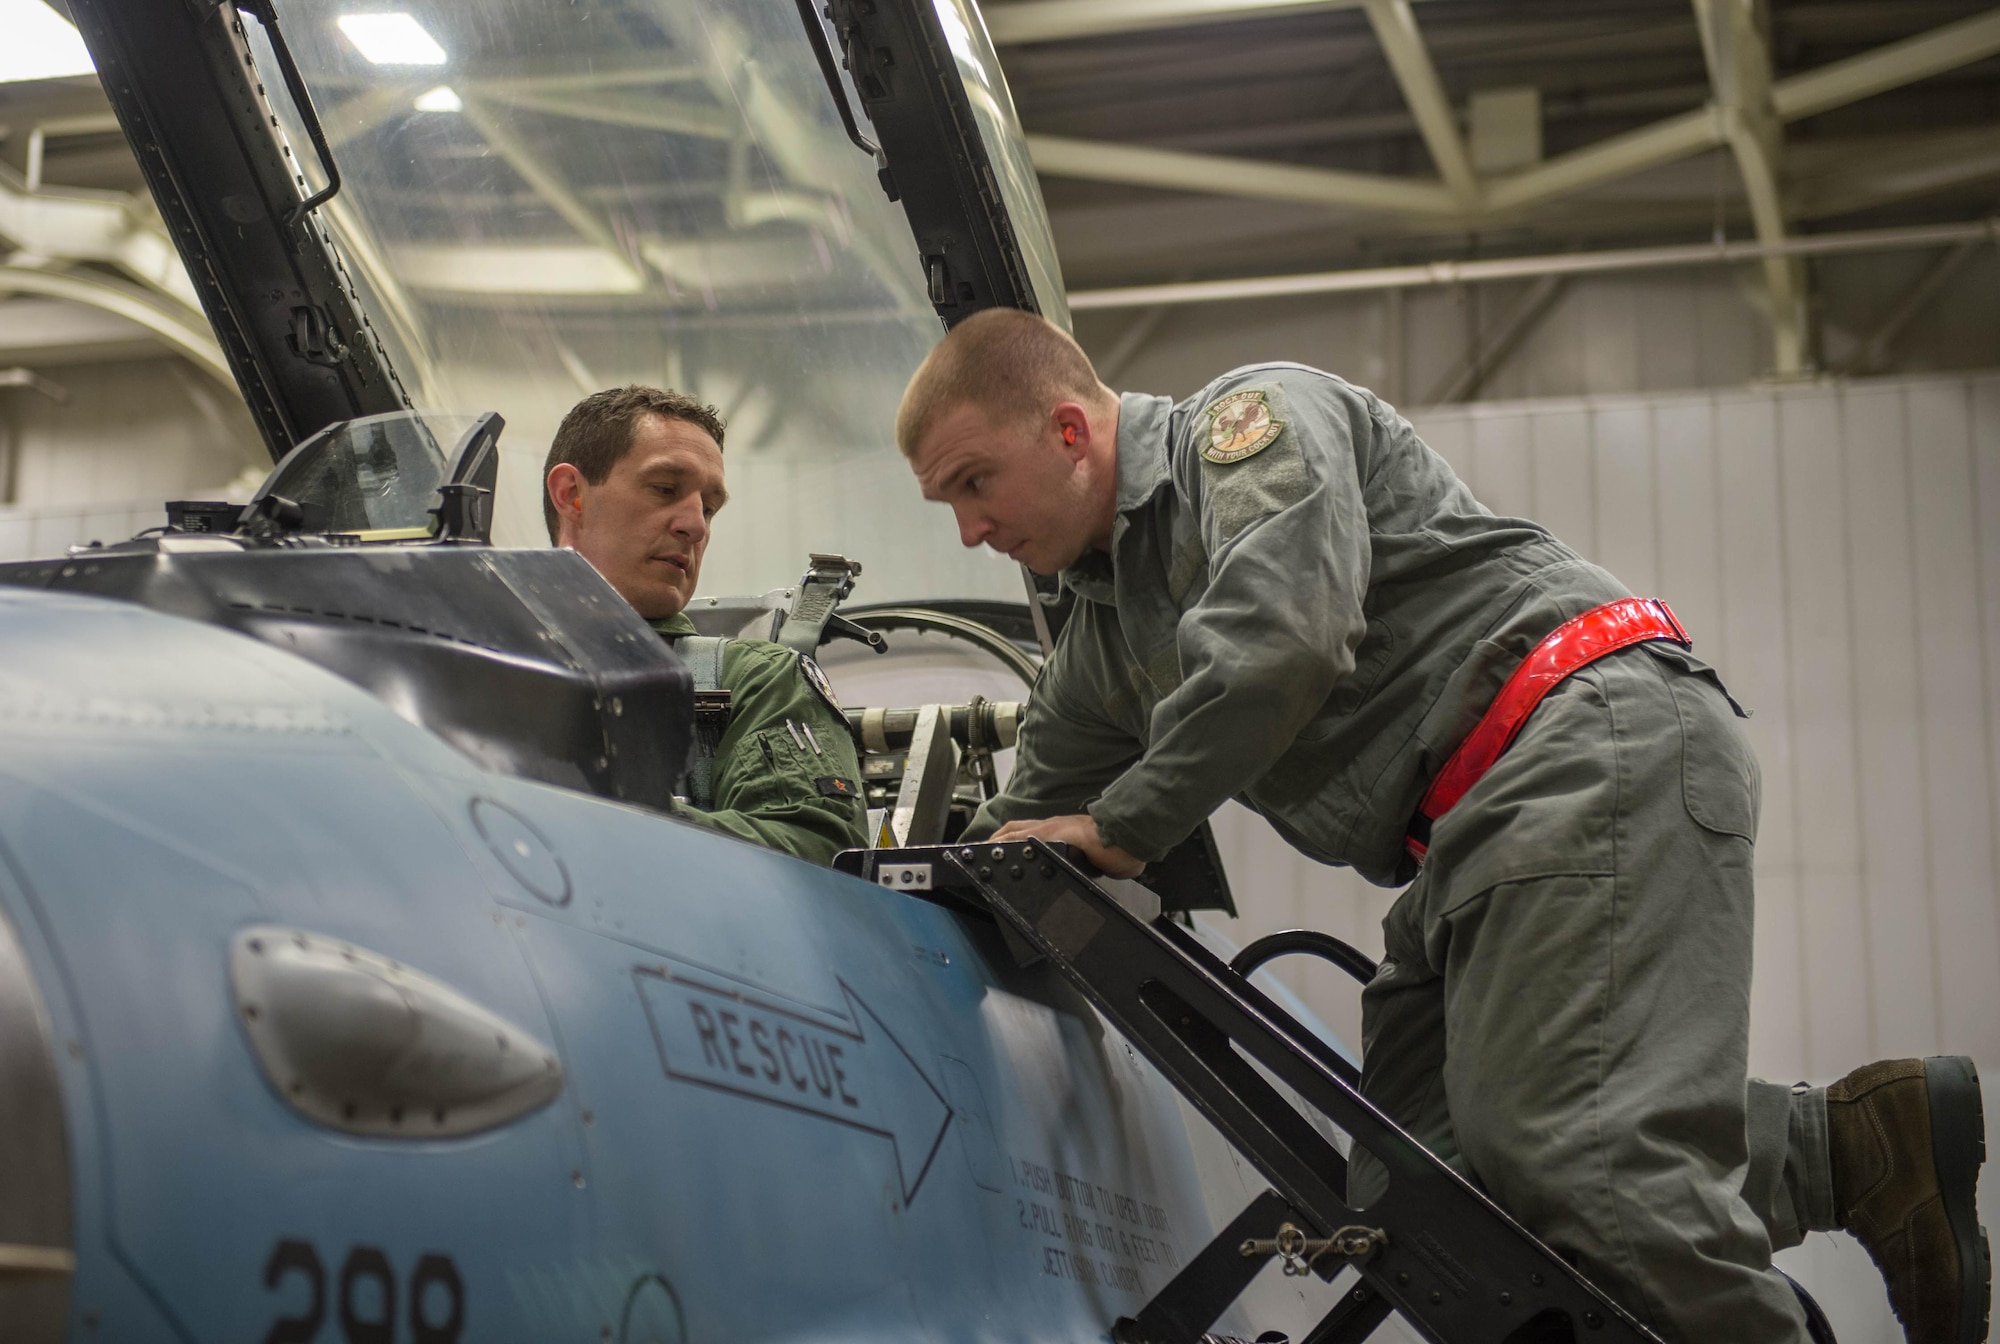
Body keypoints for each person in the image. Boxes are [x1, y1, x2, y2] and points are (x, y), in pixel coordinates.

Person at [894, 307, 1988, 1344]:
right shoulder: (1100, 641)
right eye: (945, 504)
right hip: (1478, 825)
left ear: (1070, 430)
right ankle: (1847, 1152)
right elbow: (1006, 836)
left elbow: (1283, 640)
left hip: (1578, 737)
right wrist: (885, 886)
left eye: (974, 482)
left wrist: (1121, 826)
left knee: (1584, 1165)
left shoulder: (1245, 431)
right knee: (1423, 1192)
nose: (969, 528)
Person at [544, 385, 867, 867]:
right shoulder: (457, 657)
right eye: (664, 489)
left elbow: (822, 851)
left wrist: (597, 813)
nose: (696, 526)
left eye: (709, 508)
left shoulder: (757, 682)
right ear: (572, 495)